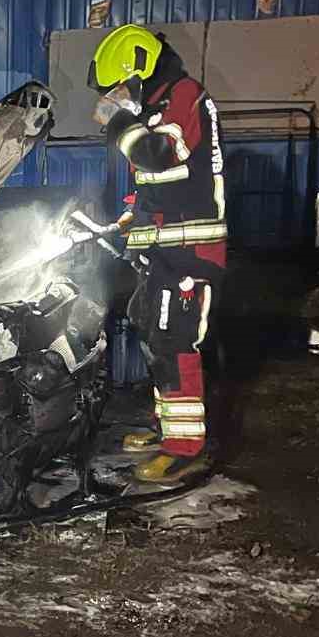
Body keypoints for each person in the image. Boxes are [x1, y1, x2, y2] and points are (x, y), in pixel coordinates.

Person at [89, 25, 227, 483]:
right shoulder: (158, 106)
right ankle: (166, 426)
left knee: (174, 344)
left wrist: (118, 121)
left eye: (119, 87)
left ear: (140, 72)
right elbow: (158, 187)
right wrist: (130, 218)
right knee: (151, 332)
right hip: (164, 254)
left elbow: (158, 157)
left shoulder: (185, 96)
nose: (116, 96)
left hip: (190, 255)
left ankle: (185, 448)